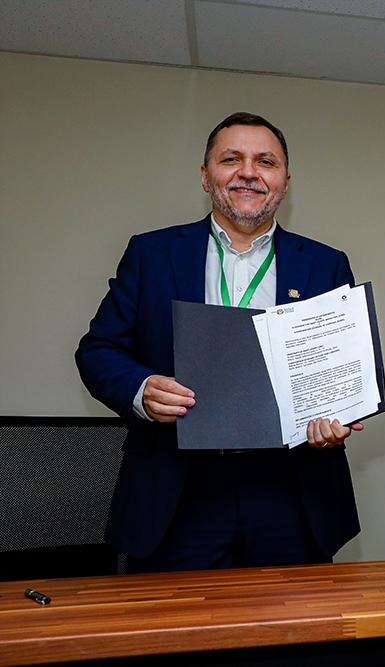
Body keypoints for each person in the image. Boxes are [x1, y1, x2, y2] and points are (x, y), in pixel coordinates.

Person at [76, 112, 360, 571]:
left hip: (291, 491)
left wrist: (337, 415)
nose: (248, 172)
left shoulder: (326, 264)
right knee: (172, 618)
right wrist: (142, 389)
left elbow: (339, 366)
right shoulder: (152, 253)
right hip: (177, 490)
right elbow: (98, 350)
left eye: (265, 161)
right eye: (231, 159)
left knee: (294, 618)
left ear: (285, 181)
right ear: (206, 176)